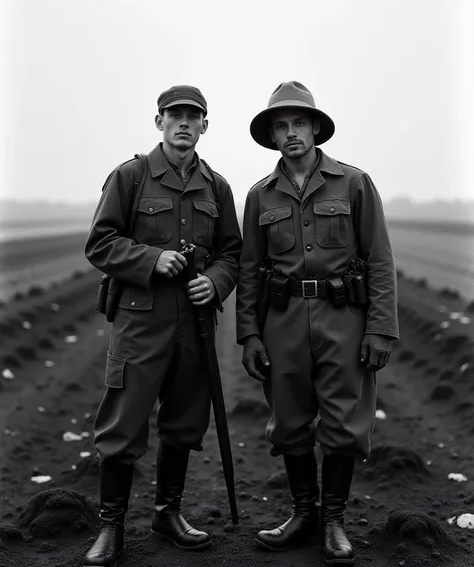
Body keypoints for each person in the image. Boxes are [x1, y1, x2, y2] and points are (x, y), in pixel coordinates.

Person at [236, 81, 399, 565]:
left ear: (315, 128)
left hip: (343, 318)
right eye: (281, 125)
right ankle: (303, 514)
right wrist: (248, 333)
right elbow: (248, 270)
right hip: (283, 321)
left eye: (299, 123)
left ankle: (333, 521)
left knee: (345, 422)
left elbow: (379, 259)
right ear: (271, 135)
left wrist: (380, 328)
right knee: (288, 421)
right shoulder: (259, 196)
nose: (291, 133)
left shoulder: (354, 183)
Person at [83, 85, 242, 567]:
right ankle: (111, 527)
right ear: (159, 122)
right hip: (139, 323)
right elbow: (100, 243)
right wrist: (153, 258)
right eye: (175, 115)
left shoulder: (217, 187)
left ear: (205, 126)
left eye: (194, 117)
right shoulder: (130, 177)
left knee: (183, 422)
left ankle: (166, 514)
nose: (184, 123)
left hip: (193, 326)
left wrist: (214, 282)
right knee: (123, 424)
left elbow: (233, 253)